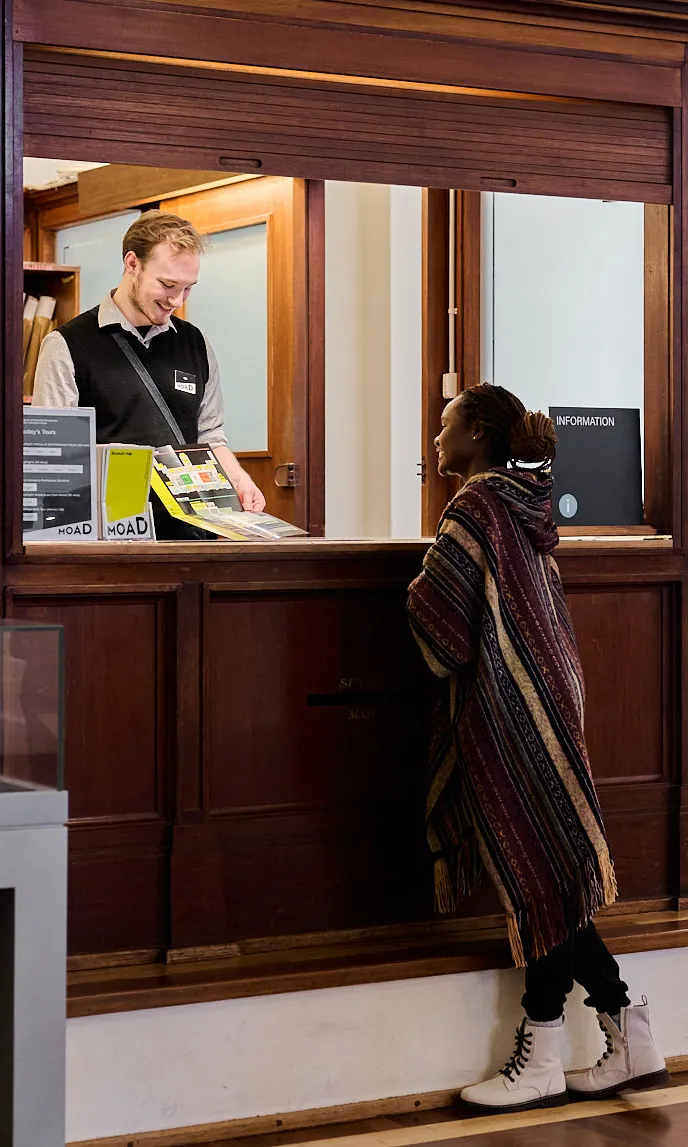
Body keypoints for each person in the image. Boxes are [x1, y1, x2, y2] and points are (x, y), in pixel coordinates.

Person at [407, 383, 666, 1114]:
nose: (436, 440)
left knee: (539, 871)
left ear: (480, 434)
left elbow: (441, 627)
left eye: (446, 426)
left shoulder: (474, 505)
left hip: (507, 698)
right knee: (549, 870)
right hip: (551, 690)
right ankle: (619, 1035)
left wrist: (414, 588)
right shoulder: (526, 498)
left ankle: (549, 1050)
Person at [33, 209, 265, 538]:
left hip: (195, 534)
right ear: (132, 264)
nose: (177, 300)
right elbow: (57, 460)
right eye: (168, 284)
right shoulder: (66, 345)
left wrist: (239, 480)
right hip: (115, 539)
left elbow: (210, 437)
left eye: (188, 288)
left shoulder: (196, 343)